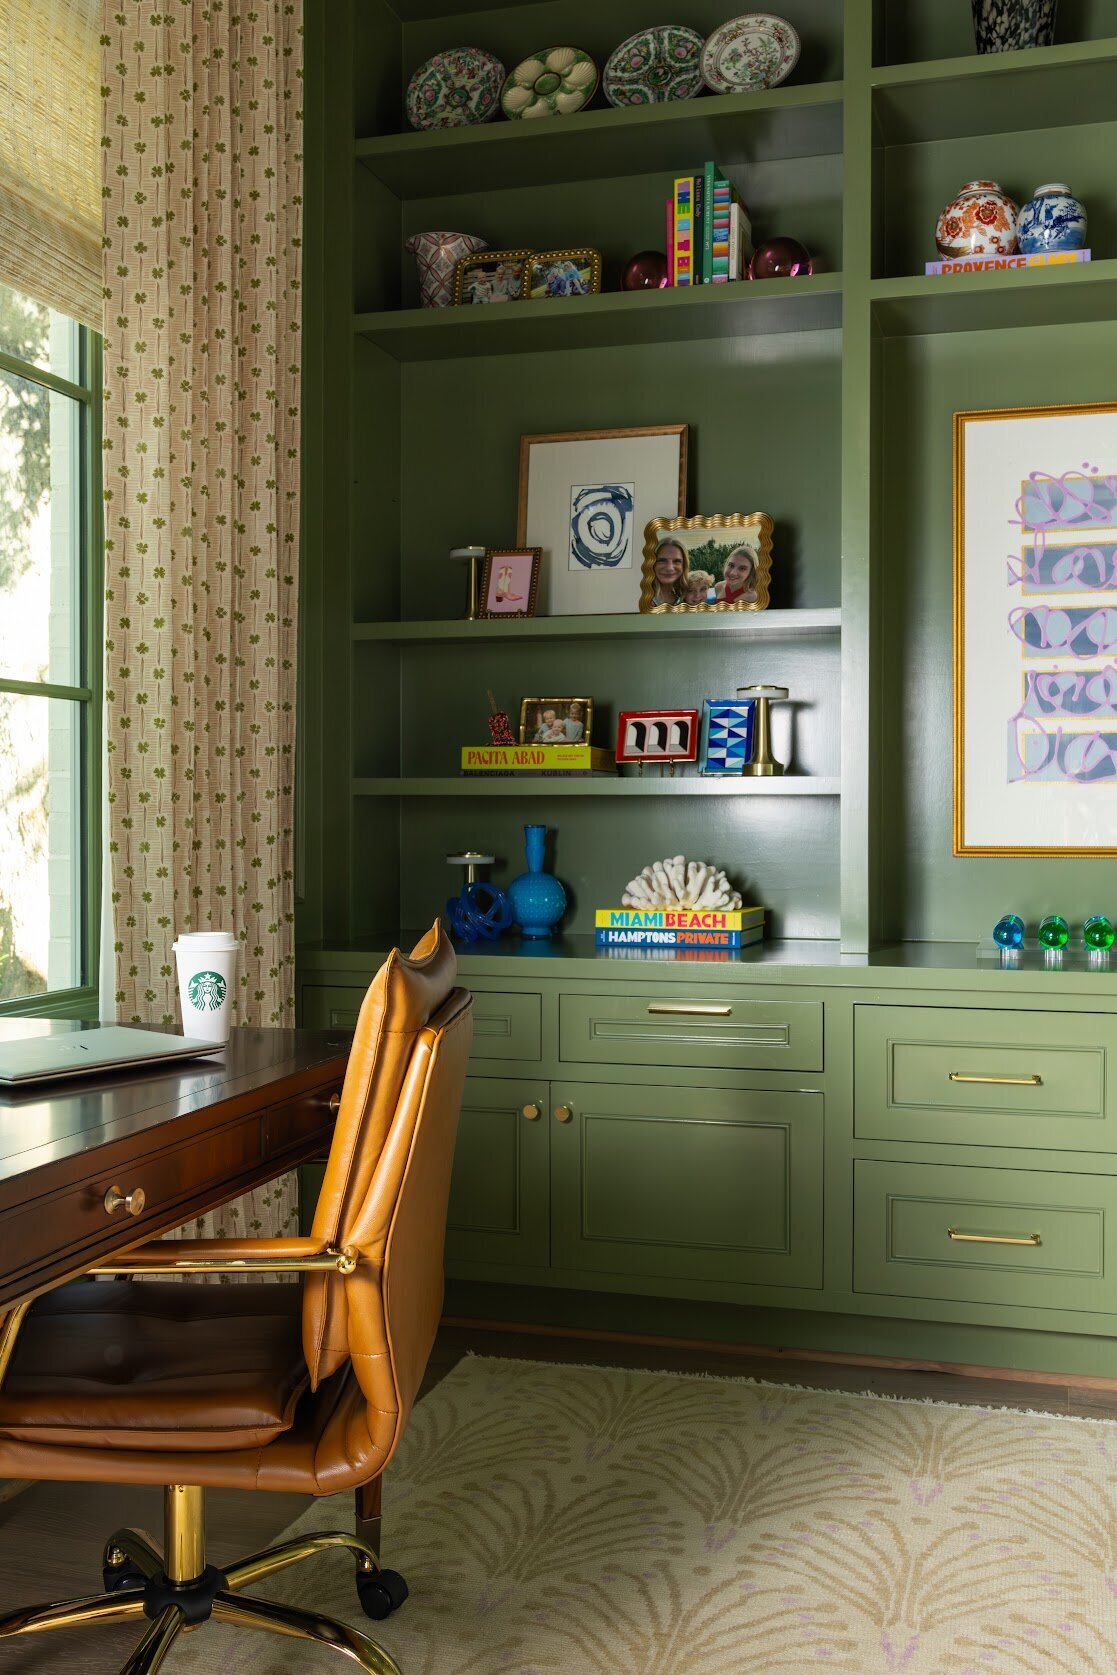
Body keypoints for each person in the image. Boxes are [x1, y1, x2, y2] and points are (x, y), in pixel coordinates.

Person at [651, 539, 689, 607]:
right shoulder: (641, 598)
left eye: (677, 561)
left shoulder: (686, 597)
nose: (669, 568)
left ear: (684, 566)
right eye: (662, 560)